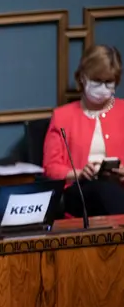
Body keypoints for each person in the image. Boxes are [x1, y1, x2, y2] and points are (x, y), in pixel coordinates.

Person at [42, 44, 124, 217]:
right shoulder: (62, 117)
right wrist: (79, 173)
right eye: (97, 81)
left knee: (108, 188)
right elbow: (51, 168)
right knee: (102, 188)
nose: (102, 88)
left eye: (108, 82)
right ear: (83, 78)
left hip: (119, 189)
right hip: (79, 192)